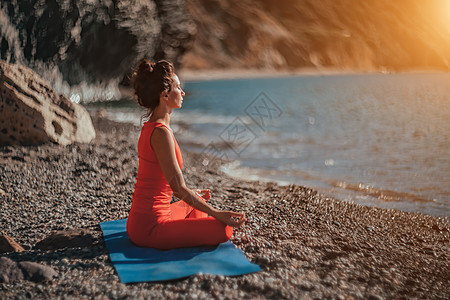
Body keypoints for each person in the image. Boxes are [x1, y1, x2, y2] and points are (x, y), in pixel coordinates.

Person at [126, 59, 246, 250]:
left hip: (141, 220)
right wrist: (217, 213)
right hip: (150, 228)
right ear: (165, 94)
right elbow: (178, 189)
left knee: (199, 200)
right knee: (223, 230)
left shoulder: (153, 127)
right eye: (178, 87)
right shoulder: (161, 133)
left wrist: (196, 199)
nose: (182, 93)